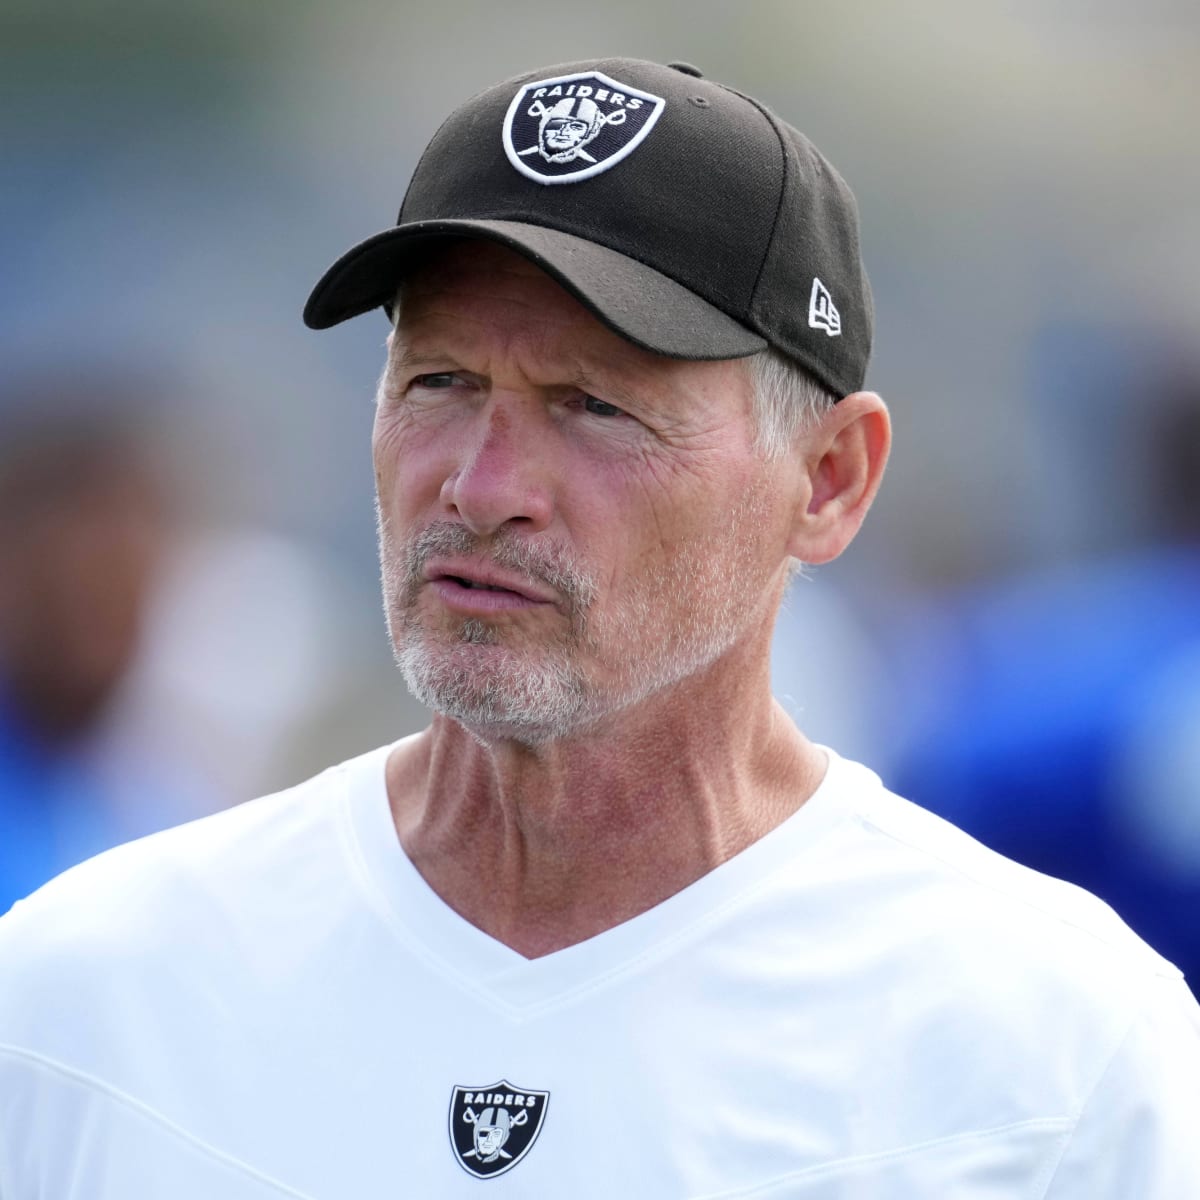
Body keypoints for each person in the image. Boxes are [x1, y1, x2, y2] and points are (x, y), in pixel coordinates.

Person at [0, 56, 1196, 1197]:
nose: (479, 484)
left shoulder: (1060, 1055)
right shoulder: (83, 1001)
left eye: (593, 404)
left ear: (828, 479)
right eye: (438, 383)